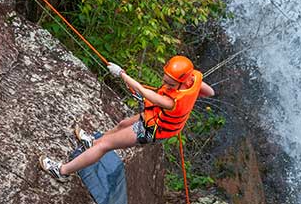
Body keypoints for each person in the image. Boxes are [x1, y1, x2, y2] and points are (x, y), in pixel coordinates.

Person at [40, 55, 215, 181]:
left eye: (171, 84)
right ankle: (91, 143)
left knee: (105, 146)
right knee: (123, 124)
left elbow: (144, 92)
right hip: (155, 116)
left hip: (153, 128)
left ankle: (62, 171)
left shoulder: (171, 101)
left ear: (183, 81)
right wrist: (191, 96)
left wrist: (121, 73)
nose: (166, 85)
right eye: (166, 81)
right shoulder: (193, 79)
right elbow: (209, 92)